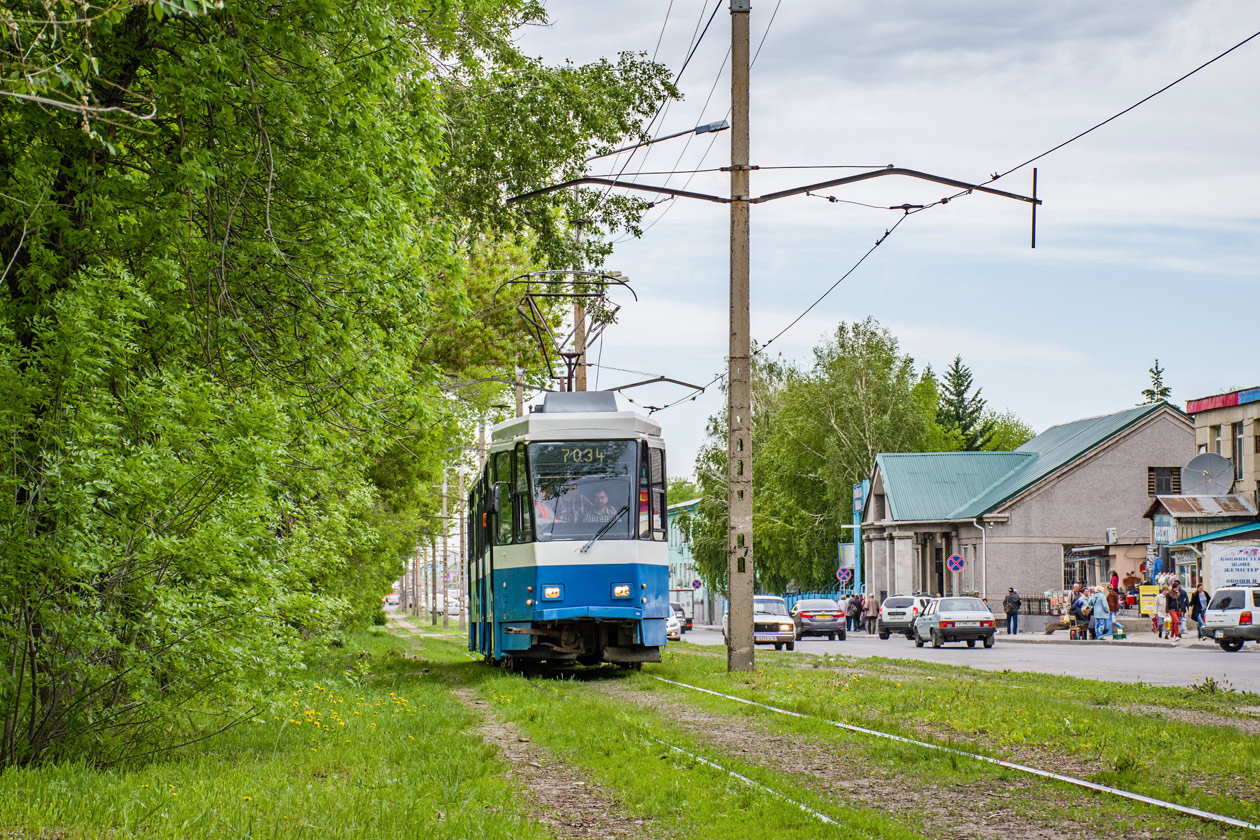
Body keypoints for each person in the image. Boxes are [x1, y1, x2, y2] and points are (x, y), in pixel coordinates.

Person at [1167, 579, 1189, 644]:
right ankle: (1176, 635)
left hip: (1178, 609)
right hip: (1172, 609)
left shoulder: (1179, 593)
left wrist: (1182, 609)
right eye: (1176, 587)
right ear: (1173, 588)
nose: (1177, 589)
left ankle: (1171, 636)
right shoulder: (1169, 594)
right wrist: (1167, 611)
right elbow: (1167, 603)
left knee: (1174, 623)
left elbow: (1180, 602)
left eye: (1178, 587)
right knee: (1176, 621)